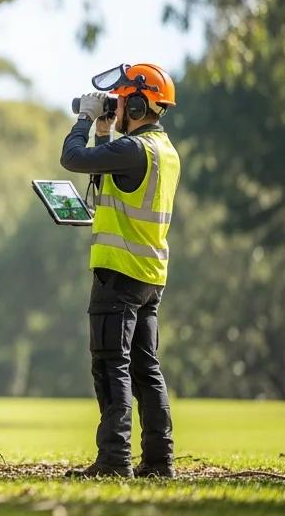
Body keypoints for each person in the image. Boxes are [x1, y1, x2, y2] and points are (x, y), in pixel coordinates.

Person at [59, 62, 181, 479]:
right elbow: (112, 179)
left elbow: (72, 158)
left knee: (111, 364)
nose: (118, 106)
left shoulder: (134, 150)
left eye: (123, 101)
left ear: (139, 104)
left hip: (118, 273)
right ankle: (160, 461)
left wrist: (84, 118)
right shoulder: (164, 151)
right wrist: (104, 131)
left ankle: (114, 460)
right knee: (146, 369)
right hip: (150, 274)